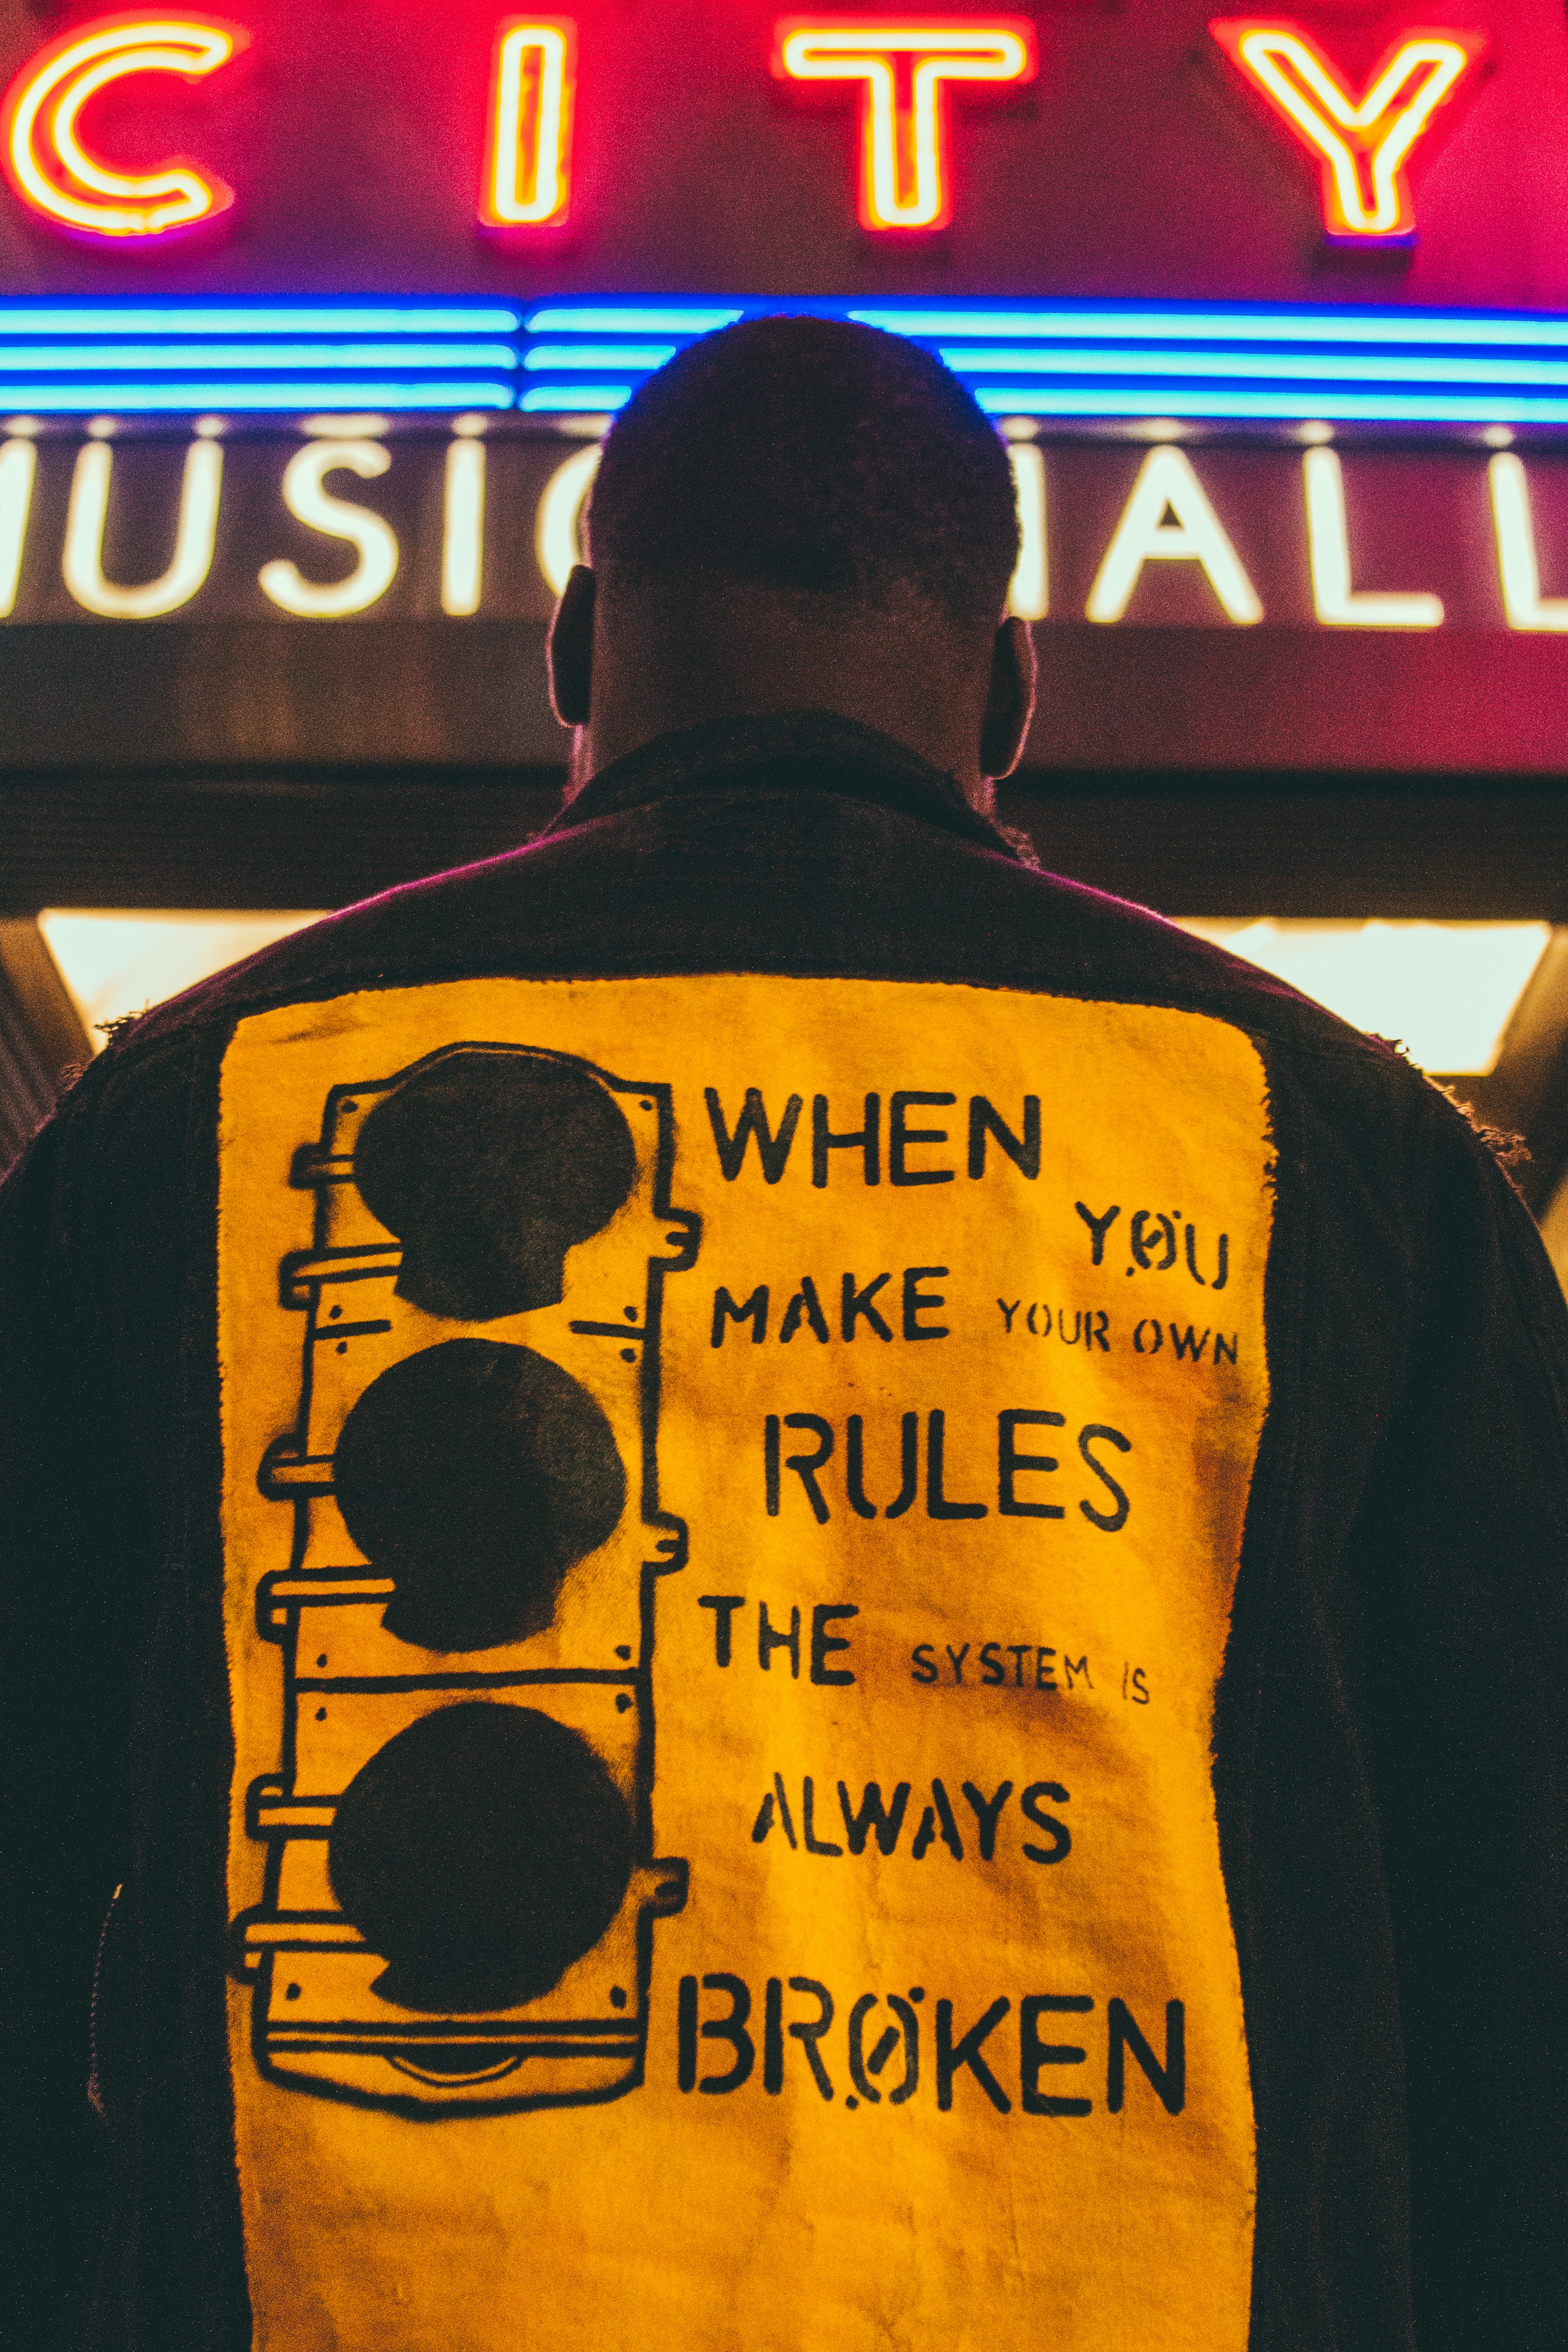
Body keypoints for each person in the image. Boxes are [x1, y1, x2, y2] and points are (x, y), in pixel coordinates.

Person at [2, 317, 1564, 2352]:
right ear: (1006, 686)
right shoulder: (1339, 1150)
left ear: (573, 648)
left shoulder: (200, 1109)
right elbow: (1507, 1946)